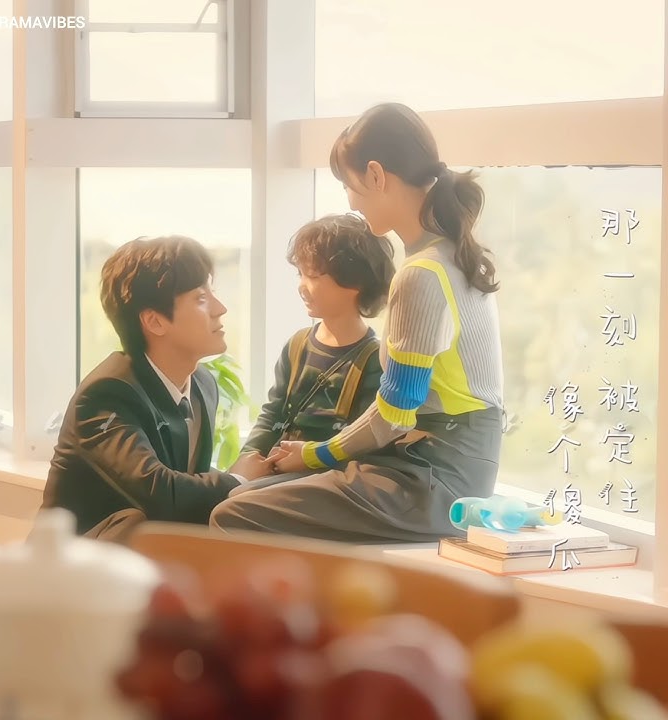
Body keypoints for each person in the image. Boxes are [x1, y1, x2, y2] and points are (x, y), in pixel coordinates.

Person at [211, 103, 504, 542]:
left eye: (348, 185)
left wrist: (314, 454)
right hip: (433, 466)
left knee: (233, 514)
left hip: (435, 479)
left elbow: (394, 415)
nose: (349, 199)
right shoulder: (451, 256)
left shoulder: (421, 275)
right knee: (241, 499)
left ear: (375, 175)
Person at [41, 235, 272, 541]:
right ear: (155, 321)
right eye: (200, 299)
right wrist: (238, 479)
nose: (220, 308)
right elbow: (160, 492)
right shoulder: (106, 394)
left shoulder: (203, 384)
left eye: (212, 292)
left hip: (152, 551)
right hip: (77, 559)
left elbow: (188, 489)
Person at [239, 214, 395, 459]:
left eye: (312, 276)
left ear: (354, 282)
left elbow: (364, 439)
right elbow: (273, 413)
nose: (302, 286)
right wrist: (248, 456)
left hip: (326, 471)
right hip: (279, 464)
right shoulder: (297, 345)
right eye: (299, 274)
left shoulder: (377, 359)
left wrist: (307, 460)